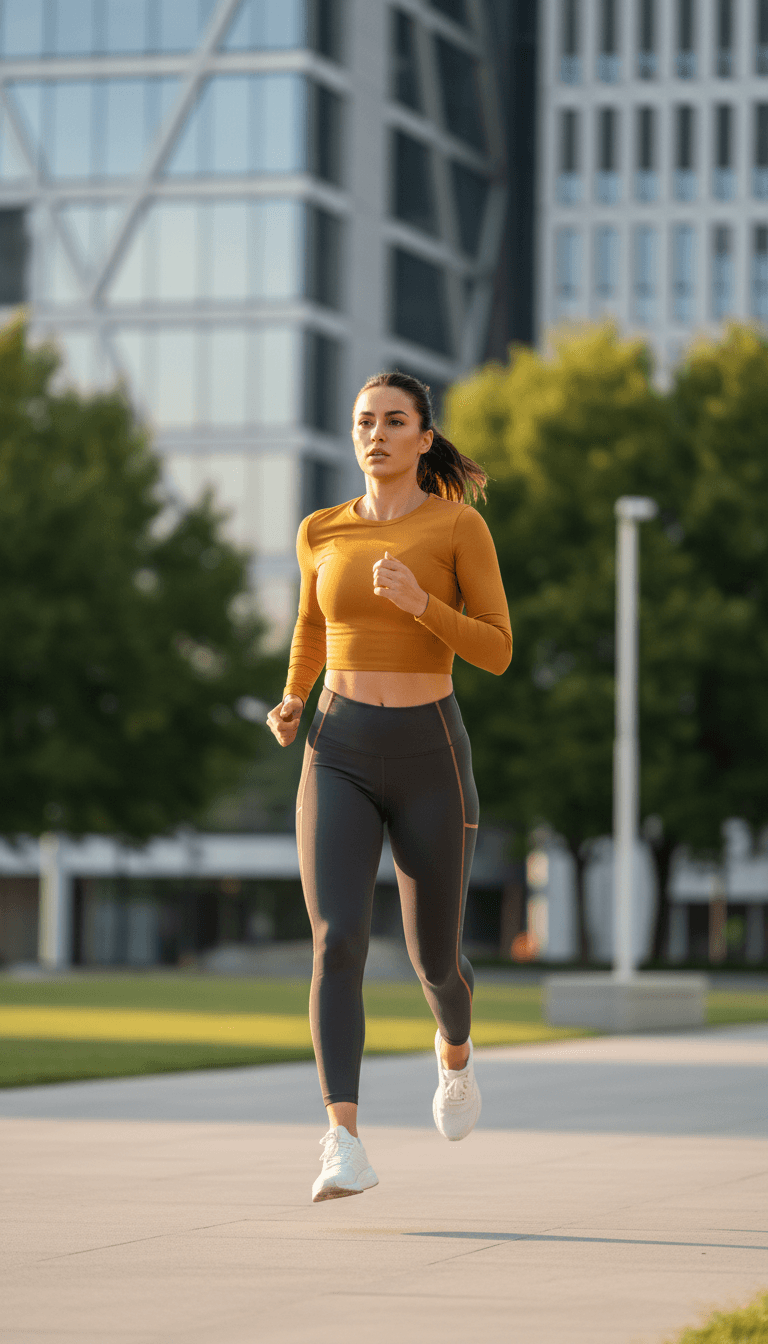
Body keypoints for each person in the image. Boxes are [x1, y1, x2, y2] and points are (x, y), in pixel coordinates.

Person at [266, 371, 512, 1202]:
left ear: (423, 438)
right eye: (364, 420)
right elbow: (310, 627)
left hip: (428, 752)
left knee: (434, 959)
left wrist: (420, 606)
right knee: (337, 941)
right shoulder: (320, 529)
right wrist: (295, 697)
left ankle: (455, 1053)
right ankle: (342, 1141)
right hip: (335, 747)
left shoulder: (457, 527)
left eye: (394, 421)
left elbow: (498, 649)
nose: (376, 433)